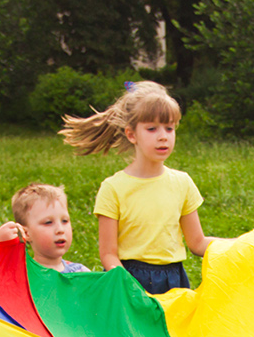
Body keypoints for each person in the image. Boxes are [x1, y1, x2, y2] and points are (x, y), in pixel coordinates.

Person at [62, 81, 212, 294]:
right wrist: (129, 288)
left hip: (174, 281)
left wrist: (242, 244)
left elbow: (197, 243)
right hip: (128, 280)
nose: (163, 136)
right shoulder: (113, 188)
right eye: (152, 128)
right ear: (132, 134)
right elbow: (108, 254)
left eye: (169, 128)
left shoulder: (182, 183)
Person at [0, 183, 90, 273]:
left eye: (65, 221)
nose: (60, 229)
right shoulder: (22, 276)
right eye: (48, 222)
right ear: (26, 233)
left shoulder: (80, 273)